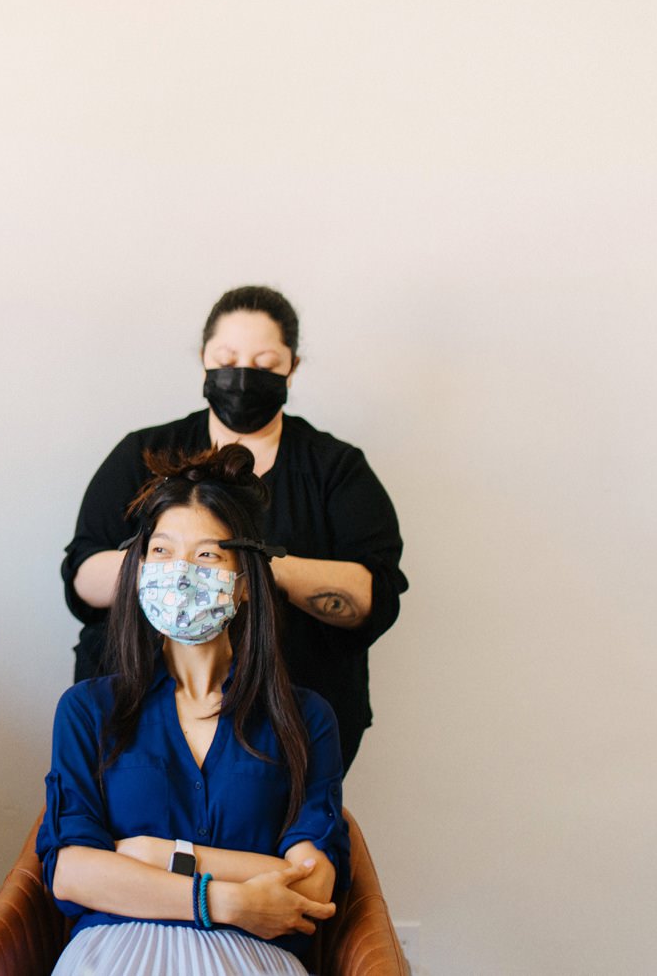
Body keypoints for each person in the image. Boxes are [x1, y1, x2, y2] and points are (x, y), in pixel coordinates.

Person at [62, 286, 404, 770]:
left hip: (289, 723)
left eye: (264, 364)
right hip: (136, 711)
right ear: (203, 359)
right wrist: (168, 566)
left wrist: (256, 564)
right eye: (226, 358)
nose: (243, 377)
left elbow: (376, 594)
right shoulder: (144, 454)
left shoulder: (336, 469)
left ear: (293, 367)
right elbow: (81, 576)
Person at [39, 445, 348, 976]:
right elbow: (71, 872)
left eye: (206, 555)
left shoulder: (305, 718)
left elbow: (312, 885)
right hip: (112, 953)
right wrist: (222, 900)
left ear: (245, 583)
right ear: (138, 571)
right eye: (160, 551)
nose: (178, 572)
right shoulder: (88, 709)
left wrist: (153, 855)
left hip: (253, 958)